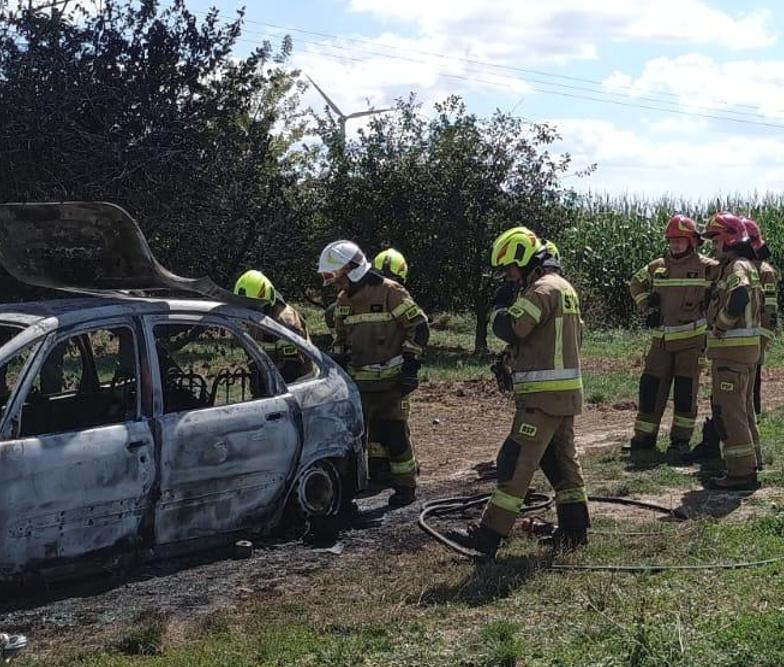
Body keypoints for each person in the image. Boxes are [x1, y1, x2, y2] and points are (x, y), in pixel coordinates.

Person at [448, 227, 590, 559]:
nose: (508, 276)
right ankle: (575, 531)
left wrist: (499, 308)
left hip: (541, 400)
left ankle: (488, 537)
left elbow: (512, 327)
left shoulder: (541, 290)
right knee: (561, 464)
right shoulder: (565, 288)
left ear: (526, 260)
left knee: (513, 463)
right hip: (564, 396)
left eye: (510, 268)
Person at [319, 240, 428, 507]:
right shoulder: (344, 300)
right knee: (356, 439)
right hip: (359, 385)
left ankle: (405, 488)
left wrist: (411, 367)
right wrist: (338, 361)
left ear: (352, 270)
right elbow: (341, 339)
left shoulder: (391, 292)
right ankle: (354, 491)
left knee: (395, 436)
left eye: (337, 277)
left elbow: (419, 327)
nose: (336, 284)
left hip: (392, 383)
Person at [627, 215, 717, 454]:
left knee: (685, 393)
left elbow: (719, 296)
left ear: (693, 242)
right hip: (661, 342)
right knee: (650, 389)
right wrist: (648, 304)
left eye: (680, 240)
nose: (675, 245)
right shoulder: (658, 267)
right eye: (671, 240)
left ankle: (680, 441)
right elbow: (635, 284)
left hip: (691, 342)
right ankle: (644, 439)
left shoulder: (707, 268)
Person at [699, 213, 765, 491]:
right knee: (744, 409)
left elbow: (739, 297)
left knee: (730, 412)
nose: (712, 246)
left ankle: (740, 473)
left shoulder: (737, 267)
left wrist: (721, 327)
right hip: (743, 353)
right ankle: (752, 461)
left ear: (728, 239)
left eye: (715, 239)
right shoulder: (746, 264)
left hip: (733, 353)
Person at [232, 269, 311, 381]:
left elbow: (292, 369)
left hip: (297, 387)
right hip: (270, 381)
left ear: (268, 300)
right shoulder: (258, 318)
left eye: (254, 307)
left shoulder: (285, 322)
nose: (249, 312)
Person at [742, 217, 778, 416]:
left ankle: (754, 414)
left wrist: (762, 339)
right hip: (736, 335)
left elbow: (770, 309)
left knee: (753, 378)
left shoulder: (765, 272)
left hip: (755, 334)